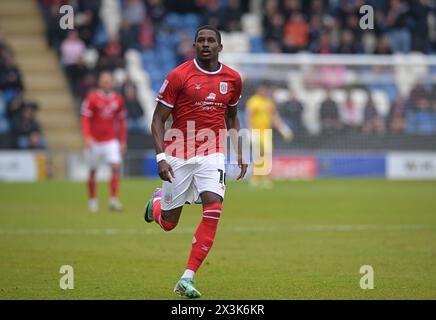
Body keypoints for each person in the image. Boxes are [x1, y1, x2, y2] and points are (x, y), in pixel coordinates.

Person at [142, 25, 247, 298]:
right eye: (200, 40)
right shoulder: (179, 76)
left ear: (220, 47)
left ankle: (186, 278)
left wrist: (239, 149)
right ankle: (156, 202)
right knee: (168, 223)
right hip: (177, 152)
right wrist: (161, 157)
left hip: (212, 154)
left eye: (211, 40)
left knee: (213, 207)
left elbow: (232, 115)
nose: (205, 44)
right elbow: (157, 119)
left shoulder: (233, 79)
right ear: (194, 45)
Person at [81, 71, 127, 213]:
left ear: (112, 83)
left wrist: (123, 140)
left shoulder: (118, 99)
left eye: (109, 81)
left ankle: (113, 200)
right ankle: (92, 201)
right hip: (94, 141)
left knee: (115, 166)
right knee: (92, 171)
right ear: (100, 83)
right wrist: (87, 136)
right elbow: (85, 118)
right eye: (104, 81)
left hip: (111, 140)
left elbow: (122, 121)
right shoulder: (92, 98)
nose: (107, 83)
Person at [246, 83, 292, 188]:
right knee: (258, 155)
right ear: (259, 90)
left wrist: (283, 128)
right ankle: (255, 178)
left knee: (267, 155)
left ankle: (266, 178)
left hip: (266, 132)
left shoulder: (269, 102)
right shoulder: (253, 101)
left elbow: (274, 116)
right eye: (263, 90)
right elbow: (249, 117)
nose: (265, 92)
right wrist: (250, 131)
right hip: (256, 131)